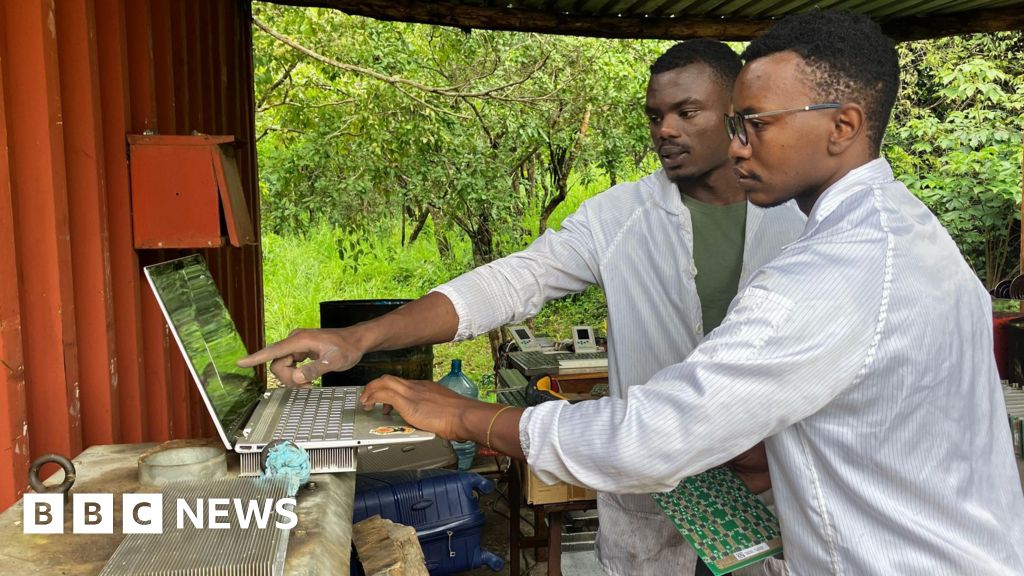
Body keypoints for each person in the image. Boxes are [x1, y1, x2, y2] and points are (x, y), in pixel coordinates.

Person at [356, 10, 1024, 575]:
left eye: (753, 123)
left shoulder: (833, 268)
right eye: (733, 123)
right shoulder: (908, 233)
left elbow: (653, 435)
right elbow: (519, 279)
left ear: (842, 125)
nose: (736, 146)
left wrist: (465, 417)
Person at [241, 41, 805, 575]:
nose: (666, 131)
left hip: (775, 487)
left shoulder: (803, 216)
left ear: (737, 114)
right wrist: (359, 338)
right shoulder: (620, 217)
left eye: (687, 112)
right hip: (657, 499)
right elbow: (515, 281)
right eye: (655, 116)